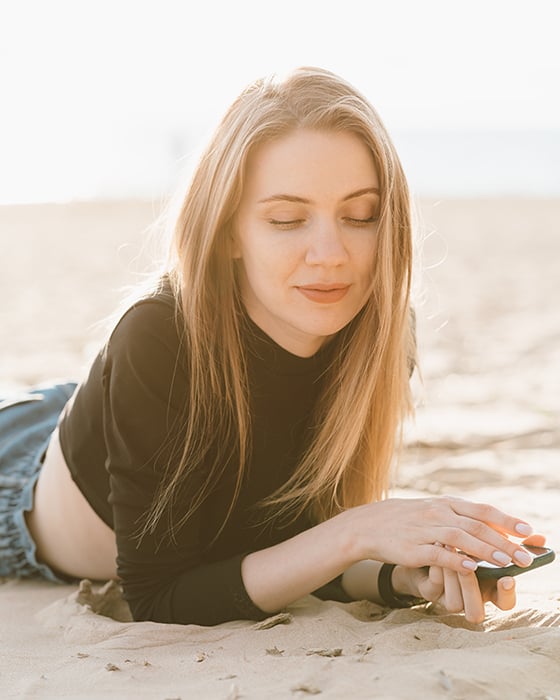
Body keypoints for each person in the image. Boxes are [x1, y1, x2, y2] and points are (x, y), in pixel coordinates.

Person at [0, 67, 543, 626]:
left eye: (361, 215)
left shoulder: (379, 335)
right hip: (17, 475)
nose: (330, 253)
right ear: (229, 231)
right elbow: (161, 598)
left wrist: (398, 575)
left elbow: (291, 539)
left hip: (119, 417)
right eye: (288, 219)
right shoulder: (160, 337)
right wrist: (359, 530)